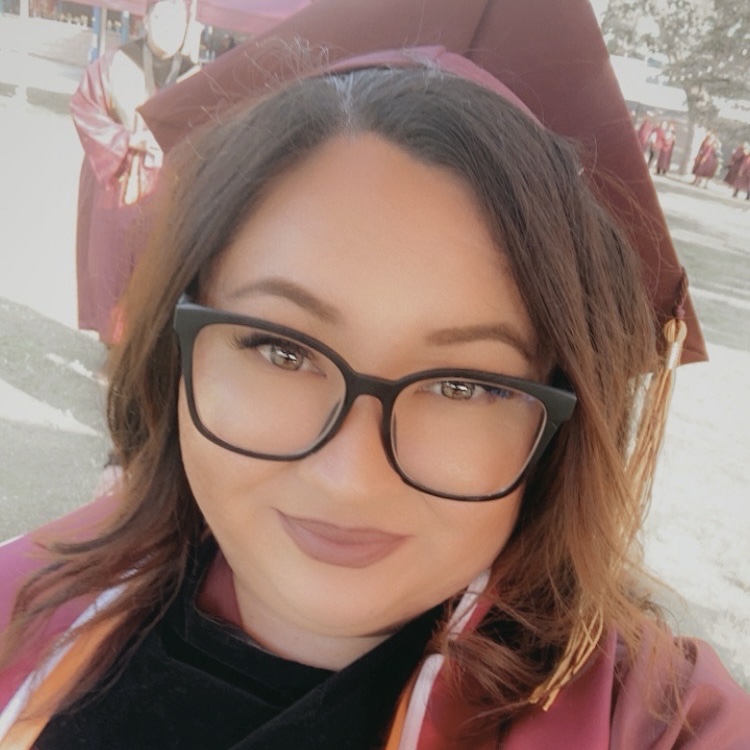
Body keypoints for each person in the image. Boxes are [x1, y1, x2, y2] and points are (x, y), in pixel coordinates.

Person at [1, 1, 748, 747]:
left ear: (562, 423)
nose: (348, 477)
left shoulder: (655, 723)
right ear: (179, 344)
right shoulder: (23, 605)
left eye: (464, 384)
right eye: (280, 348)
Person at [70, 0, 198, 345]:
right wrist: (126, 140)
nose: (169, 27)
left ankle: (142, 352)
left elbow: (213, 134)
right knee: (110, 272)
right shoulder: (113, 65)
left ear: (187, 24)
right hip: (118, 182)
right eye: (161, 17)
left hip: (167, 195)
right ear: (146, 18)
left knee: (154, 276)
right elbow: (84, 107)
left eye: (177, 19)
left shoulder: (197, 77)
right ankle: (112, 349)